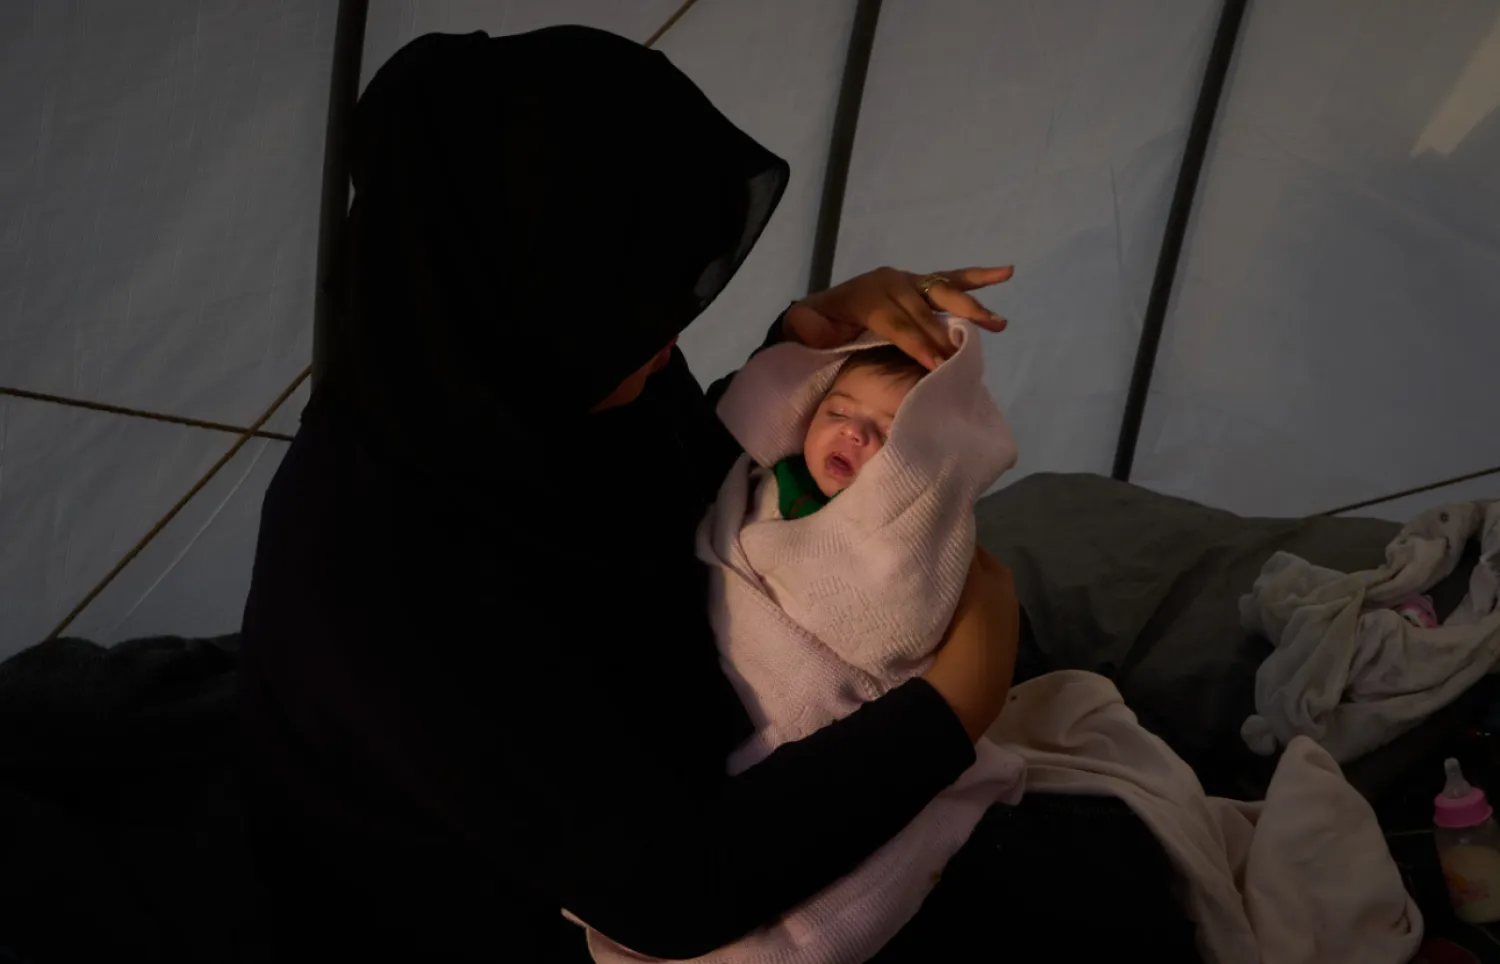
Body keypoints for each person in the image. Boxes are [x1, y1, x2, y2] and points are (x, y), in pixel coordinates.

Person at [237, 25, 1195, 964]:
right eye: (637, 302)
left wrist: (800, 349)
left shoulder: (525, 381)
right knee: (1095, 904)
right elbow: (665, 886)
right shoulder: (366, 572)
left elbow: (662, 501)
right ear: (520, 292)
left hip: (698, 767)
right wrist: (953, 707)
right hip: (522, 910)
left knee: (1109, 864)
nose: (669, 333)